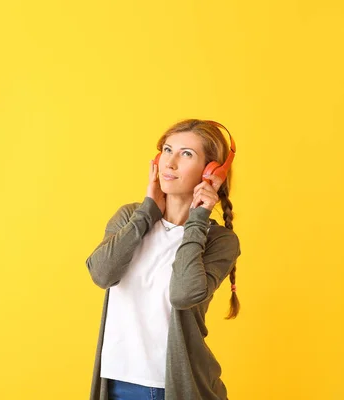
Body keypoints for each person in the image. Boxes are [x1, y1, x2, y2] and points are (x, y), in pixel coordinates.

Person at [85, 119, 242, 400]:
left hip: (176, 388)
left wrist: (197, 218)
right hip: (117, 385)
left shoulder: (219, 241)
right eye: (168, 150)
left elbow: (183, 294)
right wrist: (147, 213)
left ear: (211, 172)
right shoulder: (130, 218)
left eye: (186, 154)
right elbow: (101, 274)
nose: (170, 163)